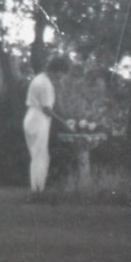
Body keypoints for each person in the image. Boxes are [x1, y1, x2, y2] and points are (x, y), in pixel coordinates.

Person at [22, 55, 75, 193]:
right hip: (38, 119)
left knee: (39, 155)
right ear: (57, 70)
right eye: (62, 74)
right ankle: (37, 191)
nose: (61, 77)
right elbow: (47, 109)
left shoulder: (40, 78)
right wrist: (64, 124)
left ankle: (38, 189)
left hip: (33, 117)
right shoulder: (45, 84)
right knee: (40, 156)